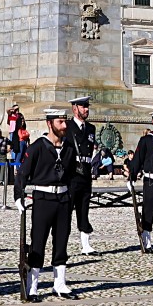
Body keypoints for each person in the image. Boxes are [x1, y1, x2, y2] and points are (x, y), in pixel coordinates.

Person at [15, 106, 77, 301]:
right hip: (43, 199)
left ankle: (60, 284)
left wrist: (71, 197)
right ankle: (32, 286)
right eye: (60, 122)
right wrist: (19, 197)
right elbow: (22, 174)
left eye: (65, 121)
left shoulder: (68, 148)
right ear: (49, 123)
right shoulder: (37, 147)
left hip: (63, 199)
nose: (64, 126)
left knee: (61, 242)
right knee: (38, 243)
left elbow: (73, 175)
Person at [129, 110, 153, 252]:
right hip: (151, 180)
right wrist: (132, 176)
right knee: (149, 211)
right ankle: (147, 240)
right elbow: (138, 159)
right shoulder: (146, 140)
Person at [65, 95, 98, 254]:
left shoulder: (91, 128)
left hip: (85, 172)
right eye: (83, 106)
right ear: (74, 108)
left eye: (87, 106)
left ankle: (86, 245)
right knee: (66, 210)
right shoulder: (67, 127)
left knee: (84, 209)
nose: (86, 109)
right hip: (72, 173)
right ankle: (62, 243)